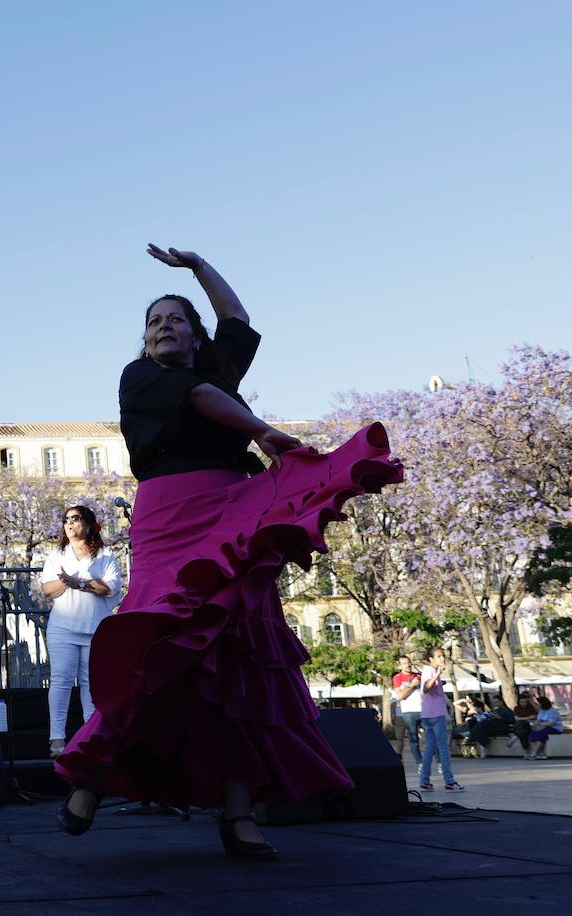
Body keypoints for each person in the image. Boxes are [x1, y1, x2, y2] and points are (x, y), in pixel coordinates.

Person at [54, 245, 406, 860]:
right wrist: (261, 431)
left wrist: (197, 267)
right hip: (167, 517)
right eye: (155, 322)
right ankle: (93, 773)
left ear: (195, 337)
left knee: (242, 655)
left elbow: (237, 322)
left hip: (232, 508)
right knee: (155, 644)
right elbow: (200, 401)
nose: (164, 328)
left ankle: (240, 813)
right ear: (145, 342)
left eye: (177, 320)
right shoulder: (141, 378)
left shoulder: (217, 373)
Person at [40, 505, 122, 758]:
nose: (69, 523)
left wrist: (81, 583)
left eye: (75, 519)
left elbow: (110, 588)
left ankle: (90, 736)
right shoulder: (57, 555)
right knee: (61, 681)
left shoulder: (106, 556)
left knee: (91, 683)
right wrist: (66, 583)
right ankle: (56, 739)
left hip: (95, 628)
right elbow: (47, 589)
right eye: (65, 519)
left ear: (88, 523)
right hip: (63, 628)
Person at [418, 647, 463, 792]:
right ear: (431, 659)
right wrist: (437, 674)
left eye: (442, 656)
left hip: (429, 714)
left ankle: (424, 780)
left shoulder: (428, 671)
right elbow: (425, 688)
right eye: (438, 656)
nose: (442, 659)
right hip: (435, 715)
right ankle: (449, 781)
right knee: (443, 747)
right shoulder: (429, 671)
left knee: (430, 747)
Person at [392, 655, 424, 772]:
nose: (408, 665)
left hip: (423, 710)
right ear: (399, 665)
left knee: (431, 736)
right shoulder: (397, 678)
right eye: (404, 663)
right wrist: (412, 685)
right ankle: (420, 762)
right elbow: (400, 696)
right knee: (413, 738)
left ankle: (439, 761)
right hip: (408, 712)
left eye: (409, 662)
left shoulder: (418, 675)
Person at [527, 696, 564, 760]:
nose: (537, 705)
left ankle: (535, 753)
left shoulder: (553, 711)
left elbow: (551, 723)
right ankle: (540, 753)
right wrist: (534, 724)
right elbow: (538, 720)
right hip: (542, 727)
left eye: (538, 703)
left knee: (540, 734)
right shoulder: (541, 711)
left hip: (554, 728)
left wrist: (540, 724)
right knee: (532, 733)